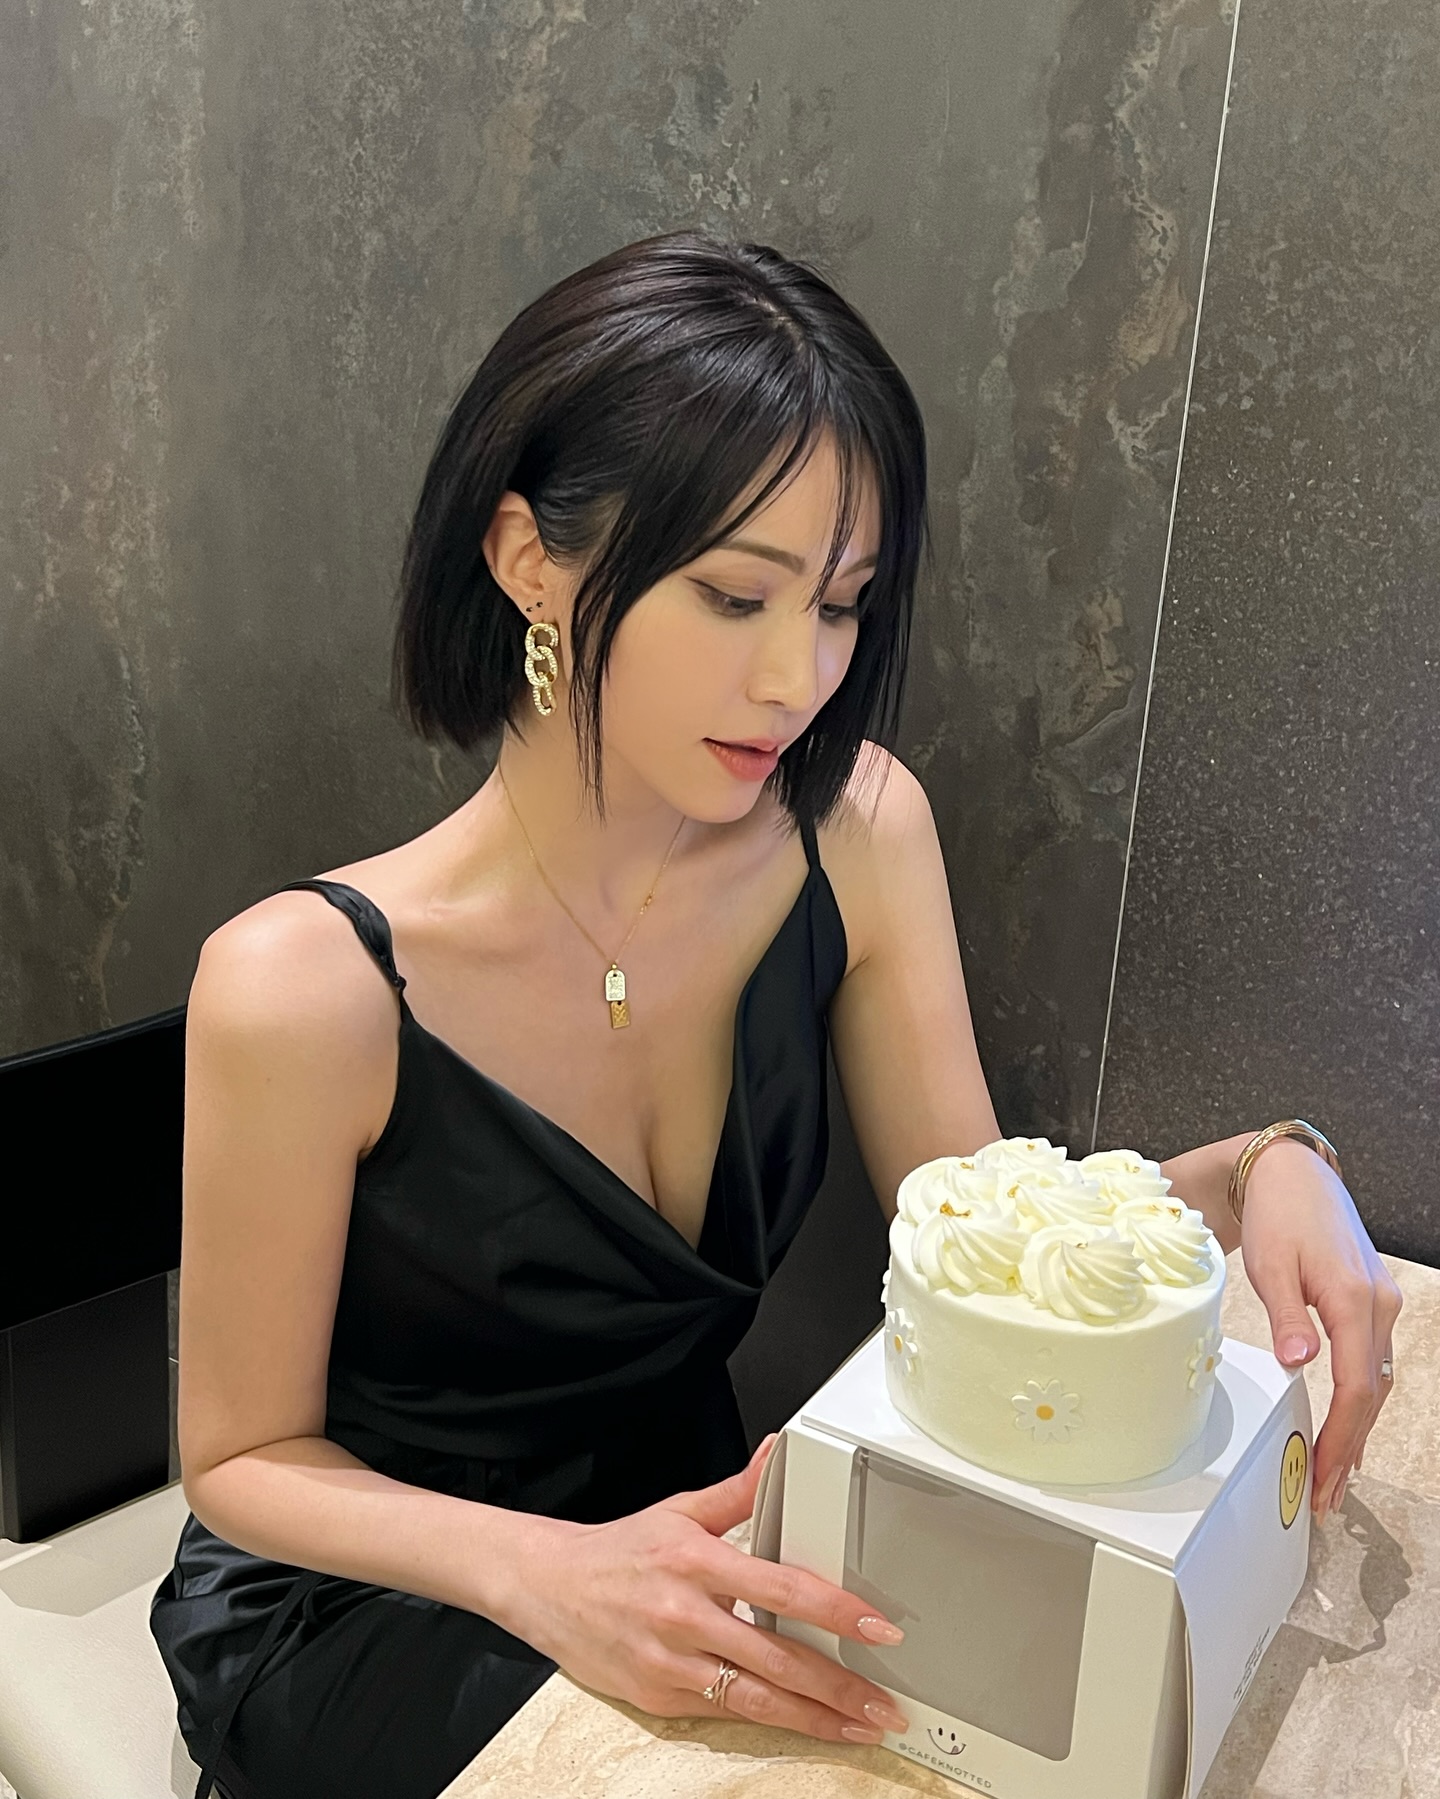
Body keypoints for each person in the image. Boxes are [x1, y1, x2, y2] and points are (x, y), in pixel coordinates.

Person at [150, 230, 1401, 1799]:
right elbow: (242, 1459)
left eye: (841, 606)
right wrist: (548, 1572)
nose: (796, 677)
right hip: (377, 1601)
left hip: (696, 1542)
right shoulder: (306, 987)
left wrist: (1263, 1169)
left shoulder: (857, 837)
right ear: (530, 559)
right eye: (735, 595)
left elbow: (987, 1249)